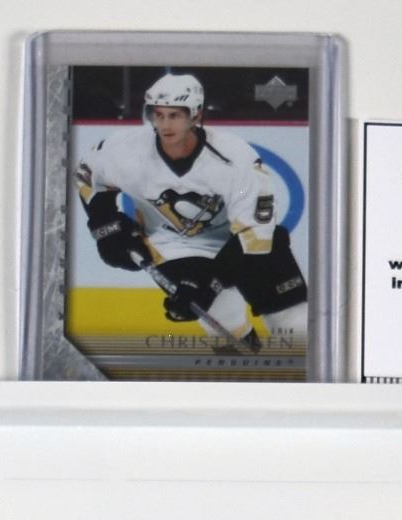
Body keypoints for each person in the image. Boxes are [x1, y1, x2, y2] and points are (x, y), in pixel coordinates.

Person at [76, 72, 308, 354]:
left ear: (195, 115)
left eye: (175, 115)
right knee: (224, 323)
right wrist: (106, 229)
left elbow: (255, 234)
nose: (165, 124)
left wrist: (209, 283)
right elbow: (88, 175)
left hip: (240, 242)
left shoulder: (235, 157)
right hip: (175, 245)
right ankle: (244, 365)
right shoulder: (124, 149)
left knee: (297, 325)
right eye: (158, 114)